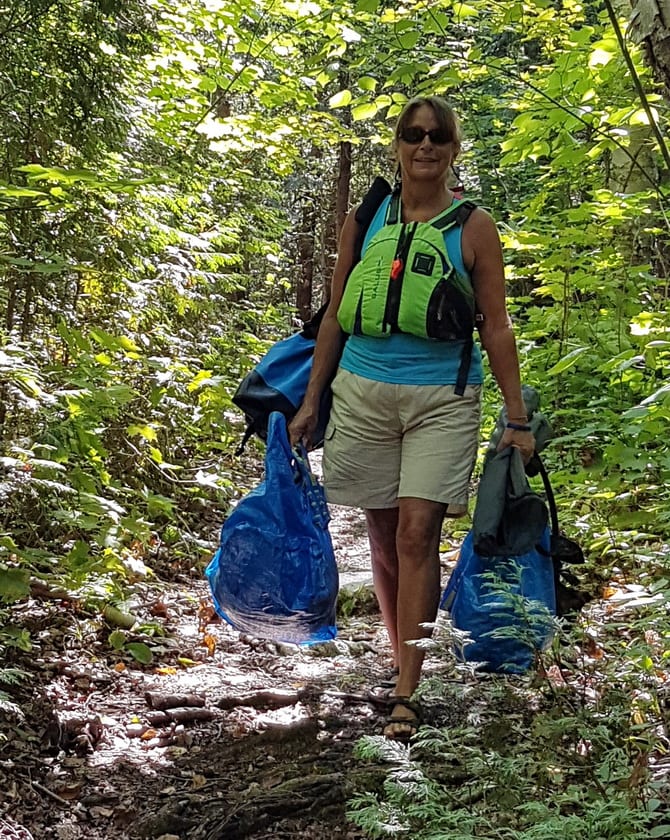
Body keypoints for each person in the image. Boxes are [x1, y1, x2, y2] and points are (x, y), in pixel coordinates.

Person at [289, 95, 535, 740]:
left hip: (442, 398)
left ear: (454, 148)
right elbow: (336, 317)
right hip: (363, 392)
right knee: (384, 533)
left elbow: (496, 324)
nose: (424, 145)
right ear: (397, 145)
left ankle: (406, 691)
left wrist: (517, 417)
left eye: (437, 136)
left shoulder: (473, 225)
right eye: (412, 135)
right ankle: (403, 655)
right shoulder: (364, 220)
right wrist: (312, 400)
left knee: (417, 533)